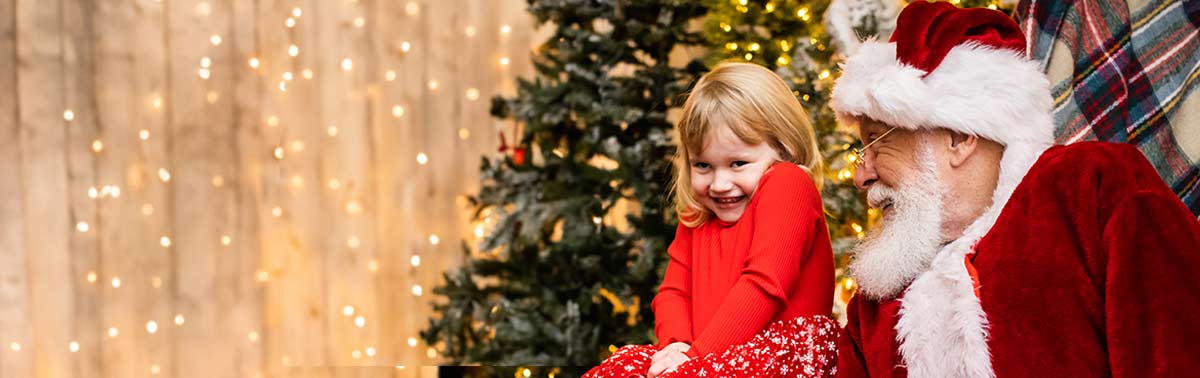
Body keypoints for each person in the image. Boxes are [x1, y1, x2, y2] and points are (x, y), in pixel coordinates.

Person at [828, 1, 1200, 377]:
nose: (862, 176)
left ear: (959, 137)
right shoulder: (879, 294)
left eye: (878, 142)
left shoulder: (1091, 186)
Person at [584, 62, 837, 378]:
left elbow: (764, 285)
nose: (719, 184)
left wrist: (696, 360)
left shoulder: (788, 182)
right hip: (709, 356)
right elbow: (673, 292)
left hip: (778, 361)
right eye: (702, 166)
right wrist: (676, 346)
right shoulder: (699, 215)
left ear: (784, 148)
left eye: (738, 163)